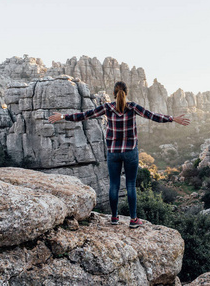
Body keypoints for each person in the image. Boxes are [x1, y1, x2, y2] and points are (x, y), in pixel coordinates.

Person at [49, 81, 190, 228]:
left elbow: (85, 115)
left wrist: (63, 116)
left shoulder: (107, 108)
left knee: (114, 185)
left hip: (113, 152)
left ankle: (114, 218)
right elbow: (152, 116)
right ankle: (134, 219)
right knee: (130, 185)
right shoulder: (133, 106)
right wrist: (173, 118)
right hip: (130, 152)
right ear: (126, 93)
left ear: (114, 94)